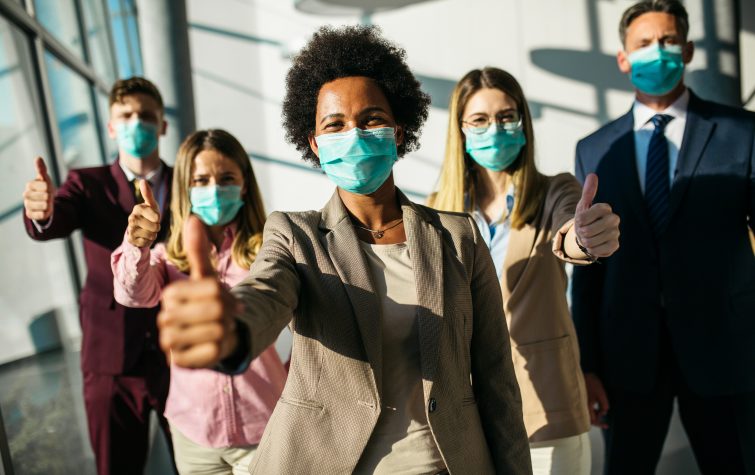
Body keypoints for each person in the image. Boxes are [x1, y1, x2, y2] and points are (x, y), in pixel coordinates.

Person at [155, 25, 532, 474]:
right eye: (335, 124)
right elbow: (265, 293)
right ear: (314, 143)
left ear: (397, 131)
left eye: (371, 119)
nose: (353, 134)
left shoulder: (458, 237)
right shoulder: (296, 236)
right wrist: (231, 327)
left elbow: (496, 379)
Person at [571, 1, 755, 473]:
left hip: (726, 351)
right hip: (628, 359)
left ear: (689, 49)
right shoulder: (595, 149)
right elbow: (590, 271)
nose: (659, 52)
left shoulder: (741, 132)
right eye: (644, 43)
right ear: (623, 58)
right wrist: (587, 364)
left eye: (669, 41)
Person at [429, 67, 620, 474]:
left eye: (506, 117)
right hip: (469, 408)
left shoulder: (556, 191)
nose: (494, 129)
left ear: (523, 123)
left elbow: (570, 234)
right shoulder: (436, 211)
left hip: (547, 403)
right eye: (479, 120)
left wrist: (584, 237)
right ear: (460, 131)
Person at [111, 129, 288, 475]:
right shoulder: (167, 257)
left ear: (245, 184)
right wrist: (136, 244)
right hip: (193, 430)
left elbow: (307, 320)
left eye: (226, 178)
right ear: (185, 189)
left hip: (264, 426)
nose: (214, 189)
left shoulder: (270, 251)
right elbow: (131, 294)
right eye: (201, 180)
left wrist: (294, 380)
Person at [22, 77, 175, 474]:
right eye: (125, 116)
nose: (135, 123)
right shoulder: (87, 183)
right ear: (110, 127)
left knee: (199, 464)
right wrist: (42, 212)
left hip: (179, 352)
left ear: (162, 125)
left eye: (146, 115)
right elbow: (57, 218)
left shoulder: (188, 183)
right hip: (111, 359)